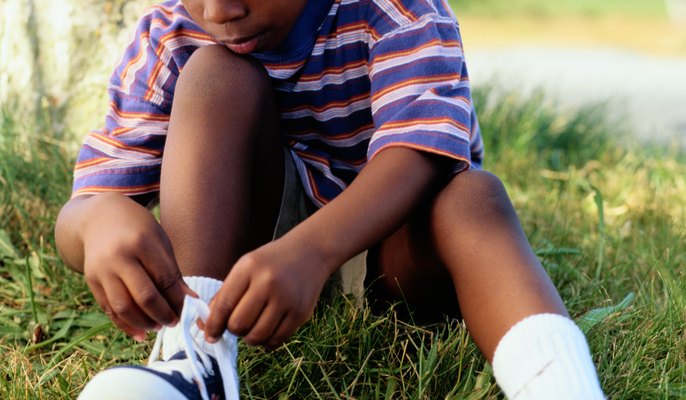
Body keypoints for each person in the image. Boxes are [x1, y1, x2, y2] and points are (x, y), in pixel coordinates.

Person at [55, 0, 606, 398]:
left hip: (395, 249)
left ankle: (558, 384)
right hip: (249, 242)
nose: (219, 10)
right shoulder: (172, 32)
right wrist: (99, 221)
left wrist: (312, 253)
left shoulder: (398, 10)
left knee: (473, 197)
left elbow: (421, 154)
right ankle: (195, 361)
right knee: (215, 75)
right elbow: (85, 206)